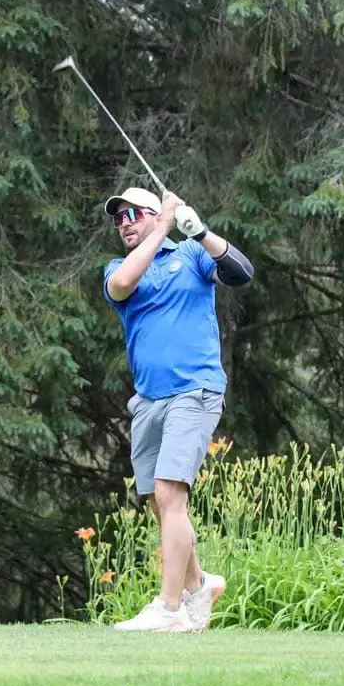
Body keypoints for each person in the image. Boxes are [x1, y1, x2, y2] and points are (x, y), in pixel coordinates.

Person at [101, 186, 254, 632]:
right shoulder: (118, 268)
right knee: (158, 500)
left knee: (170, 494)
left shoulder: (190, 255)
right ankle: (199, 585)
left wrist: (200, 232)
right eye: (118, 218)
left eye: (133, 214)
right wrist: (163, 225)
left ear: (154, 213)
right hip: (148, 399)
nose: (124, 223)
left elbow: (241, 271)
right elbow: (122, 285)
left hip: (194, 390)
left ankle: (170, 609)